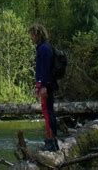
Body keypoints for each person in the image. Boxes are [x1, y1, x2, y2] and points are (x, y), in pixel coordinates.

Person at [29, 23, 59, 152]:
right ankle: (51, 141)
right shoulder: (43, 47)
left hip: (46, 85)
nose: (31, 37)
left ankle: (51, 142)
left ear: (37, 34)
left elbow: (45, 70)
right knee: (48, 112)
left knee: (48, 113)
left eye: (32, 35)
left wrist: (43, 86)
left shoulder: (44, 49)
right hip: (45, 85)